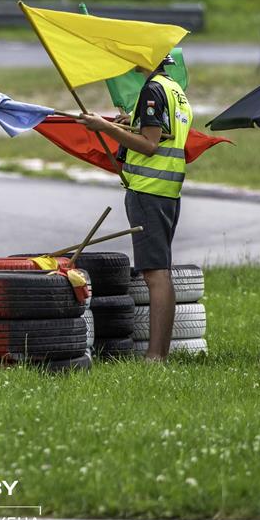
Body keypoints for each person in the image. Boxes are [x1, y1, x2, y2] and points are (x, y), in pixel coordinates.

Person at [79, 55, 192, 360]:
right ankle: (159, 354)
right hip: (166, 190)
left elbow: (149, 144)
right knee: (161, 272)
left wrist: (104, 127)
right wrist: (129, 124)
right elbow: (162, 133)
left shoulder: (152, 90)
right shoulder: (173, 88)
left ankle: (155, 357)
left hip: (148, 190)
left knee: (156, 275)